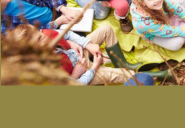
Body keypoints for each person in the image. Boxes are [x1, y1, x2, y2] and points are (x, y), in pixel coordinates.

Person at [10, 24, 170, 84]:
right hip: (83, 74)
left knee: (106, 29)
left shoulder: (46, 34)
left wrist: (85, 44)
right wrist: (94, 67)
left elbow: (66, 34)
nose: (44, 39)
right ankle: (162, 75)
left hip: (77, 55)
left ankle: (121, 62)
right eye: (37, 42)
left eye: (40, 35)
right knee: (123, 75)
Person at [1, 0, 80, 35]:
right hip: (48, 32)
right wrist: (58, 22)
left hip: (56, 11)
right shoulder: (3, 24)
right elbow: (32, 35)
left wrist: (64, 10)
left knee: (84, 18)